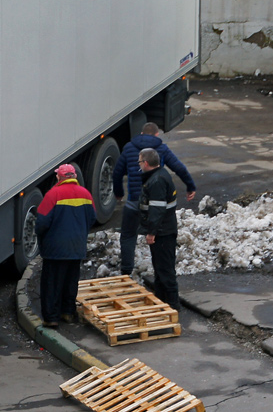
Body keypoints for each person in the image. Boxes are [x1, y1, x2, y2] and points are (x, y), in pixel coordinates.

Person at [112, 122, 196, 276]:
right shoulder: (161, 149)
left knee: (128, 235)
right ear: (157, 135)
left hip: (134, 201)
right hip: (154, 202)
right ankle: (160, 270)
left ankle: (126, 270)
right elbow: (179, 168)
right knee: (157, 234)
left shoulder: (129, 148)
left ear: (142, 134)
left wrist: (118, 193)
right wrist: (190, 186)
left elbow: (117, 173)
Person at [34, 164, 97, 327]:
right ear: (74, 176)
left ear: (59, 177)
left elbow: (41, 223)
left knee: (52, 284)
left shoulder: (53, 194)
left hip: (55, 249)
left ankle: (51, 318)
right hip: (76, 247)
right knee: (70, 281)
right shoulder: (86, 194)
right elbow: (92, 218)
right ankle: (67, 312)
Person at [138, 148, 180, 308]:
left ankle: (173, 305)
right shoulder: (160, 175)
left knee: (165, 270)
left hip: (162, 232)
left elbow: (157, 210)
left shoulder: (156, 181)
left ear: (146, 163)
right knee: (160, 270)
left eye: (140, 162)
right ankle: (162, 302)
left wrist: (151, 232)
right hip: (164, 230)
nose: (139, 165)